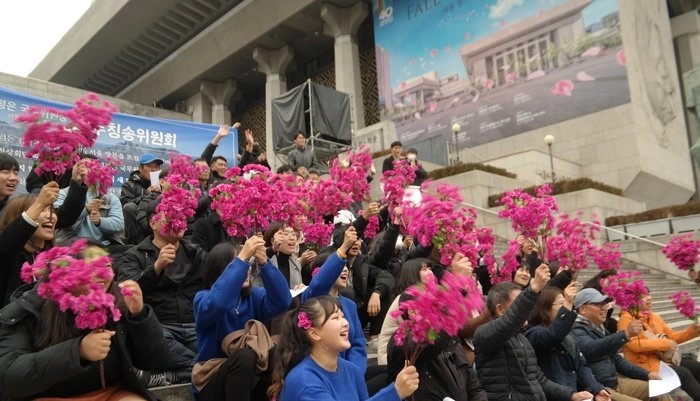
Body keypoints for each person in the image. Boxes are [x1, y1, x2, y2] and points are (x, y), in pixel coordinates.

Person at [0, 242, 171, 401]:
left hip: (112, 393)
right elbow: (9, 378)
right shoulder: (27, 310)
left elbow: (157, 361)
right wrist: (77, 351)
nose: (103, 274)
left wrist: (140, 317)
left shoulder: (117, 301)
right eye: (93, 266)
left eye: (107, 266)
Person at [115, 197, 207, 384]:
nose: (178, 221)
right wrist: (155, 268)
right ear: (152, 222)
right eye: (170, 215)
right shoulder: (134, 255)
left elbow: (218, 277)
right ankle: (202, 367)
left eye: (181, 216)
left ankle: (172, 375)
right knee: (211, 362)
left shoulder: (195, 253)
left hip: (193, 327)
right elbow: (125, 292)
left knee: (218, 349)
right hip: (159, 329)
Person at [474, 265, 594, 401]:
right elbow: (509, 321)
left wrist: (572, 395)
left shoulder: (523, 339)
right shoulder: (483, 333)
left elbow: (539, 380)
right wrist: (533, 289)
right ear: (500, 310)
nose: (527, 310)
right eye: (518, 303)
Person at [193, 237, 292, 401]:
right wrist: (243, 257)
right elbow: (219, 303)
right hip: (212, 382)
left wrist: (264, 263)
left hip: (249, 381)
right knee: (245, 356)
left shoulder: (253, 297)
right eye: (238, 264)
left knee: (279, 352)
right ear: (220, 271)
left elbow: (283, 300)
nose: (246, 269)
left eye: (248, 264)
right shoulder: (202, 299)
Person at [267, 295, 419, 401]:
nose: (346, 323)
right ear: (314, 333)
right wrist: (395, 392)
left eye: (343, 316)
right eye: (335, 318)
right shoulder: (304, 381)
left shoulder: (351, 371)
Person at [386, 257, 487, 401]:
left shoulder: (452, 341)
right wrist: (456, 286)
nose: (439, 308)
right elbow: (431, 342)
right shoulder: (402, 341)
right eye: (430, 304)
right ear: (412, 312)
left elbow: (475, 388)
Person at [0, 169, 89, 307]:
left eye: (52, 210)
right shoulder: (10, 256)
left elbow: (67, 215)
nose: (50, 216)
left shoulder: (55, 259)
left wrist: (77, 183)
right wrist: (39, 204)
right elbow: (7, 244)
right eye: (42, 210)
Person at [571, 288, 661, 401]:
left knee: (659, 391)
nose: (604, 308)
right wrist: (626, 334)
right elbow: (590, 349)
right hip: (600, 388)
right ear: (583, 309)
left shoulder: (600, 329)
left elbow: (617, 359)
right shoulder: (575, 328)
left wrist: (647, 374)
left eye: (604, 304)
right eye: (598, 304)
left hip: (615, 382)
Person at [525, 285, 611, 401]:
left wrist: (596, 389)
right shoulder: (534, 333)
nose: (568, 308)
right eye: (562, 304)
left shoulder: (567, 334)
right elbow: (552, 337)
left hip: (574, 393)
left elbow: (581, 365)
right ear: (545, 308)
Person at [618, 291, 700, 401]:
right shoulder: (626, 319)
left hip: (661, 358)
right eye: (644, 296)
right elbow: (634, 345)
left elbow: (671, 336)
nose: (649, 298)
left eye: (649, 294)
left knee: (696, 367)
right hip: (643, 363)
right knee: (683, 373)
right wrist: (664, 343)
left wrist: (693, 331)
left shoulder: (654, 317)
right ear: (633, 301)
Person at [54, 156, 127, 253]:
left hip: (103, 246)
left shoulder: (110, 198)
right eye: (80, 166)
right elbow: (58, 220)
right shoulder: (63, 193)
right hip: (72, 246)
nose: (84, 169)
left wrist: (99, 221)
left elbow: (118, 224)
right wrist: (86, 210)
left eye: (89, 166)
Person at [377, 258, 433, 365]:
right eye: (425, 269)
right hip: (395, 356)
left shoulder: (427, 296)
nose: (430, 272)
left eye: (430, 269)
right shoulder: (405, 300)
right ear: (413, 273)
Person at [119, 153, 164, 244]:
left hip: (156, 223)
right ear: (140, 168)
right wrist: (147, 195)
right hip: (137, 226)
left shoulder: (163, 183)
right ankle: (134, 243)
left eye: (156, 167)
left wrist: (162, 192)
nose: (154, 169)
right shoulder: (129, 184)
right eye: (150, 166)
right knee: (129, 207)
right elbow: (125, 203)